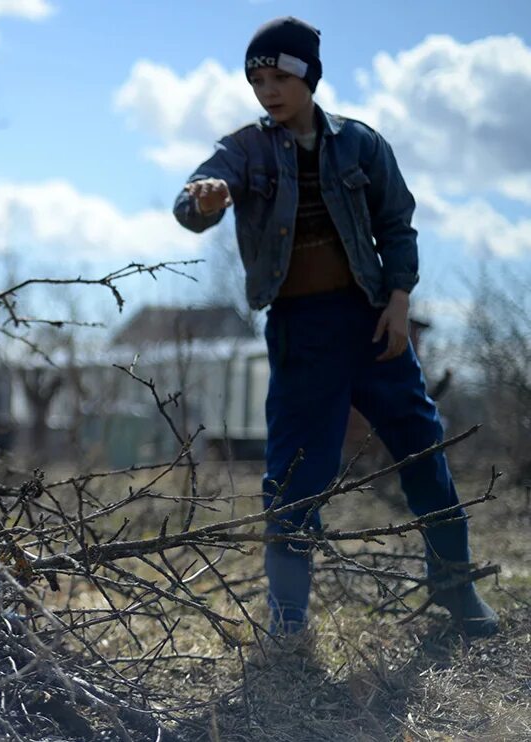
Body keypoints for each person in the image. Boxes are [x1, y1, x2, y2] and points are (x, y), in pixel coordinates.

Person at [173, 16, 498, 637]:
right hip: (300, 332)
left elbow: (397, 224)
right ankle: (289, 617)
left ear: (309, 77)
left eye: (280, 77)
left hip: (372, 322)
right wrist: (205, 199)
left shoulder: (361, 144)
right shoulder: (244, 149)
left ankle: (458, 593)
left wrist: (398, 301)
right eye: (257, 79)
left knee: (423, 450)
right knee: (295, 474)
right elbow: (191, 202)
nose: (269, 90)